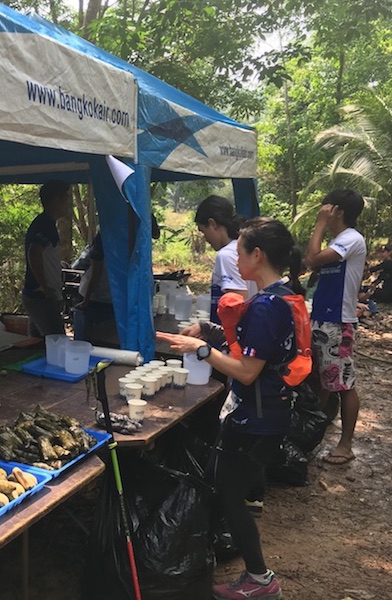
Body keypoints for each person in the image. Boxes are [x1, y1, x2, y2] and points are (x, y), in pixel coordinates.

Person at [157, 217, 301, 600]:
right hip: (267, 413)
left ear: (258, 255)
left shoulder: (267, 306)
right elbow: (255, 348)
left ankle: (260, 578)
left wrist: (200, 351)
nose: (234, 258)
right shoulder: (279, 296)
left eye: (239, 252)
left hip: (256, 417)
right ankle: (250, 572)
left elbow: (248, 370)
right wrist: (208, 330)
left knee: (227, 493)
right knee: (227, 488)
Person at [305, 189, 367, 465]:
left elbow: (312, 259)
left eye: (326, 207)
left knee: (343, 383)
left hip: (337, 321)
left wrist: (318, 225)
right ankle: (311, 430)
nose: (322, 211)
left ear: (338, 211)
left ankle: (346, 445)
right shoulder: (340, 240)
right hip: (324, 317)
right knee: (324, 379)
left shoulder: (351, 239)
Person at [191, 195, 256, 327]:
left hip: (230, 338)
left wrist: (210, 331)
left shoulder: (226, 255)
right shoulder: (243, 248)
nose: (206, 239)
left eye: (203, 231)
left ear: (212, 224)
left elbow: (237, 303)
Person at [21, 179, 71, 338]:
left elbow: (43, 254)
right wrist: (45, 286)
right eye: (65, 198)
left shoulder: (46, 223)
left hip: (38, 295)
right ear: (56, 200)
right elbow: (34, 253)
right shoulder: (44, 225)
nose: (67, 203)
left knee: (37, 343)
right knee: (56, 340)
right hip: (41, 296)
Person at [72, 232, 115, 343]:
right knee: (104, 340)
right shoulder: (127, 237)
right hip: (106, 298)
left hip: (95, 298)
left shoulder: (103, 238)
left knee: (86, 341)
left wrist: (85, 301)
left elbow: (96, 272)